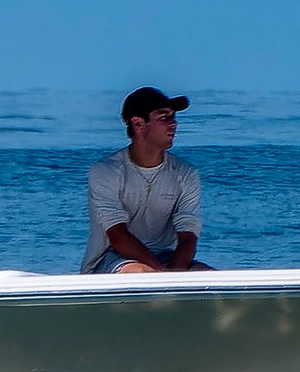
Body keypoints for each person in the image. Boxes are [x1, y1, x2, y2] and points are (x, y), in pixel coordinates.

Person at [80, 86, 209, 274]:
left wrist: (175, 273)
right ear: (138, 124)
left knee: (209, 277)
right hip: (110, 258)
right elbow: (117, 236)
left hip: (166, 257)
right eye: (164, 117)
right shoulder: (105, 171)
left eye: (174, 117)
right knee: (139, 273)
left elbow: (188, 235)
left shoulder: (185, 173)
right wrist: (161, 274)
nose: (173, 124)